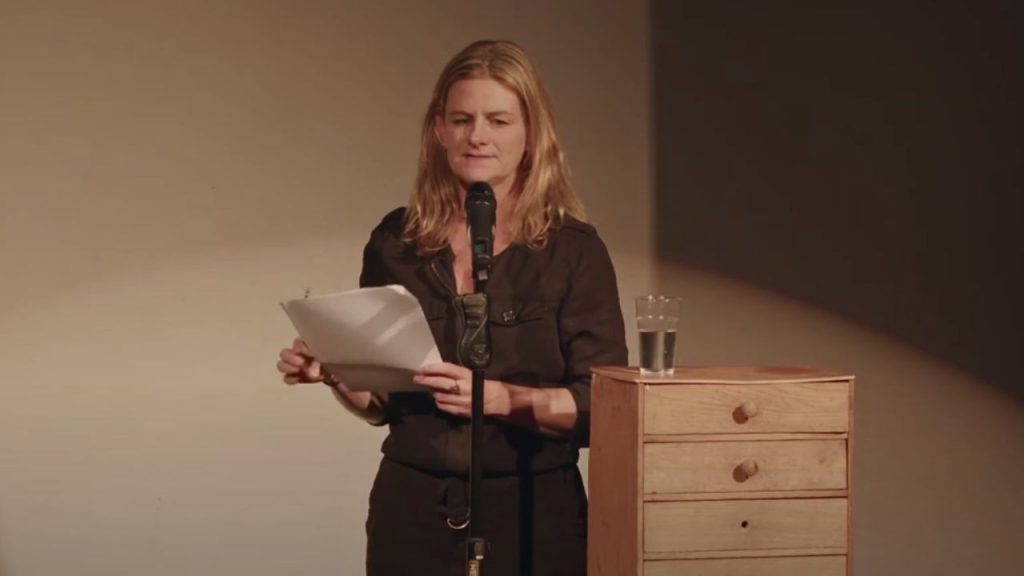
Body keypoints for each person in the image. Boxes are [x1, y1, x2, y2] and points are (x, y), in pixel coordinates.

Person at [276, 39, 626, 576]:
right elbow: (382, 405)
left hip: (533, 510)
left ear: (531, 132)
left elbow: (602, 410)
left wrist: (501, 399)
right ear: (439, 129)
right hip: (413, 508)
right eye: (462, 119)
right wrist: (335, 370)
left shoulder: (572, 250)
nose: (478, 135)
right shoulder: (397, 241)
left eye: (499, 120)